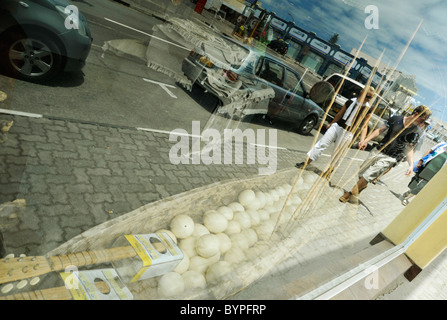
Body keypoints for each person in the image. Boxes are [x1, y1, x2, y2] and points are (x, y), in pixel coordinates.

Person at [339, 104, 432, 203]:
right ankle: (362, 186)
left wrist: (410, 165)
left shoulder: (416, 131)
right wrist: (366, 140)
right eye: (422, 120)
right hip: (379, 150)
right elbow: (380, 130)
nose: (422, 124)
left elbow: (410, 148)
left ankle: (349, 194)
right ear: (416, 114)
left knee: (368, 175)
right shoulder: (396, 119)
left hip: (392, 157)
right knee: (362, 172)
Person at [296, 86, 375, 179]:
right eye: (367, 96)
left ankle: (329, 171)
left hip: (348, 133)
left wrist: (362, 141)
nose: (368, 99)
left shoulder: (368, 109)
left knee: (337, 154)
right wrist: (331, 124)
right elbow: (340, 114)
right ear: (362, 93)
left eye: (370, 98)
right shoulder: (350, 101)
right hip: (337, 127)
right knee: (322, 144)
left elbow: (364, 126)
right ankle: (306, 163)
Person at [401, 141, 447, 205]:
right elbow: (429, 151)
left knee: (422, 186)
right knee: (416, 180)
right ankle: (410, 191)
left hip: (436, 172)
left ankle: (406, 198)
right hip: (427, 165)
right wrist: (421, 161)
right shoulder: (442, 145)